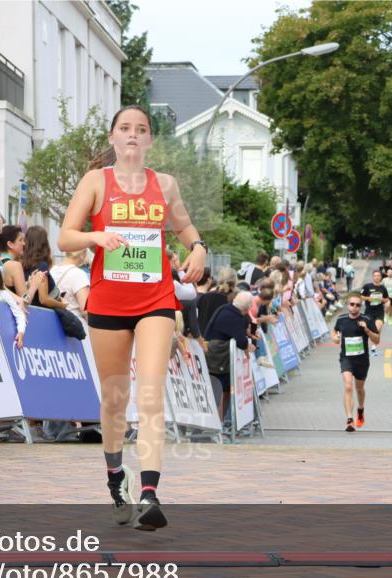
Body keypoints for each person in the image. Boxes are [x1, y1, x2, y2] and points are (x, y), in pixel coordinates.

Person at [58, 105, 206, 532]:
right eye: (125, 128)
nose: (133, 135)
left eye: (141, 129)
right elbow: (65, 235)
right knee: (114, 400)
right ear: (112, 137)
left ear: (150, 141)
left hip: (155, 299)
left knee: (151, 393)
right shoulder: (95, 182)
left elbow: (185, 228)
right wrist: (95, 235)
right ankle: (114, 476)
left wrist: (198, 248)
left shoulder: (166, 185)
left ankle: (150, 493)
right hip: (107, 302)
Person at [204, 291, 255, 426]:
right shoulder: (234, 316)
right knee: (221, 389)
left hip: (214, 353)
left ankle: (220, 421)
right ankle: (218, 423)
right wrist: (248, 343)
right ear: (247, 307)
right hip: (218, 357)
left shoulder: (226, 309)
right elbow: (241, 341)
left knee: (224, 388)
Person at [332, 293, 381, 432]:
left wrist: (366, 329)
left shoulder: (367, 319)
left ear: (361, 306)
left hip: (362, 360)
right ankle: (349, 420)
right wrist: (335, 338)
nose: (354, 307)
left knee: (359, 389)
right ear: (348, 305)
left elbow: (377, 340)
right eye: (352, 304)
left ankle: (360, 409)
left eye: (358, 305)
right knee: (348, 386)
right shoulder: (341, 319)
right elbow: (335, 331)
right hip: (346, 358)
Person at [22, 225, 68, 312]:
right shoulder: (41, 265)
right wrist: (62, 305)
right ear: (44, 244)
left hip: (30, 312)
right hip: (43, 314)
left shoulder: (22, 264)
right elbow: (43, 299)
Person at [51, 249, 91, 322]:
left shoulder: (53, 270)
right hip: (76, 326)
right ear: (82, 254)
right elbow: (86, 310)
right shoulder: (79, 274)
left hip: (57, 324)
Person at [359, 270, 389, 357]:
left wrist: (382, 300)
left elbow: (386, 299)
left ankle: (373, 347)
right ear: (373, 277)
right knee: (367, 330)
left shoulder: (383, 288)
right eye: (375, 275)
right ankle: (365, 347)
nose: (377, 277)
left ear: (381, 277)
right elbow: (361, 296)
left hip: (379, 312)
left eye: (378, 276)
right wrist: (368, 298)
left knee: (377, 328)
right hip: (369, 312)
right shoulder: (367, 286)